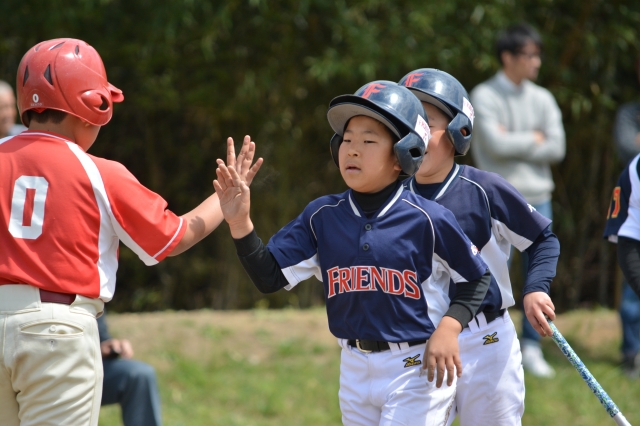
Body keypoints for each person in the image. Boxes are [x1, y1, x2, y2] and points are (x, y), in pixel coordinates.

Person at [0, 38, 262, 426]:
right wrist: (224, 199)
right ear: (92, 105)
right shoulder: (99, 172)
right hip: (57, 333)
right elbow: (175, 237)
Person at [214, 81, 492, 425]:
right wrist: (240, 223)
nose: (353, 150)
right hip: (353, 369)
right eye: (347, 140)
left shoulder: (428, 218)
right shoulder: (322, 216)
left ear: (404, 154)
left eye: (368, 141)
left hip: (416, 368)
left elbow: (477, 277)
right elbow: (269, 277)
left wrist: (449, 328)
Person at [399, 68, 560, 425]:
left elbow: (542, 239)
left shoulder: (485, 189)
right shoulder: (389, 199)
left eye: (427, 124)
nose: (414, 135)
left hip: (485, 342)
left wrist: (536, 288)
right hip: (418, 346)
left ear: (459, 130)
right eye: (405, 124)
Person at [470, 23, 566, 378]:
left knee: (537, 277)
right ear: (508, 57)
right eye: (530, 55)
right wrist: (535, 138)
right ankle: (488, 339)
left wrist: (515, 138)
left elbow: (558, 147)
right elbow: (493, 145)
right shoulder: (483, 95)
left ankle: (532, 345)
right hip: (495, 203)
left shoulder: (543, 98)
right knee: (492, 274)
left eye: (538, 55)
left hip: (539, 196)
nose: (537, 62)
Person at [611, 58, 640, 378]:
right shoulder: (630, 113)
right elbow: (628, 149)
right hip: (635, 212)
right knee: (633, 288)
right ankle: (632, 353)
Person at [98, 312, 162, 426]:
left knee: (140, 375)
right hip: (63, 367)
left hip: (92, 365)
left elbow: (98, 331)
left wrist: (105, 343)